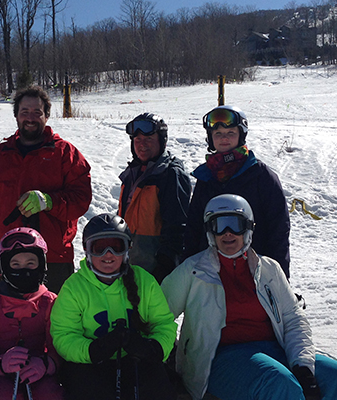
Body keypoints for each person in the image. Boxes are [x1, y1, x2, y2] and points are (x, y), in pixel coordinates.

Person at [162, 194, 337, 400]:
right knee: (278, 384)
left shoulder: (269, 269)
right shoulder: (192, 271)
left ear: (248, 228)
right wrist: (168, 355)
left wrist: (303, 367)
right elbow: (159, 315)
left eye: (235, 224)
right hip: (221, 358)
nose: (228, 233)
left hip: (274, 348)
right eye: (219, 225)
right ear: (211, 231)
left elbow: (293, 318)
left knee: (333, 375)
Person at [0, 85, 92, 293]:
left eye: (37, 112)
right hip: (1, 256)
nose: (30, 118)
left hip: (52, 259)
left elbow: (81, 199)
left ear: (47, 116)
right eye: (25, 112)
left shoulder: (65, 154)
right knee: (3, 321)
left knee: (56, 322)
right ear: (16, 115)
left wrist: (49, 201)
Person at [50, 214, 178, 400]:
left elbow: (164, 324)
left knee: (158, 390)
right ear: (87, 250)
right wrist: (92, 350)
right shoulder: (74, 288)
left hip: (135, 359)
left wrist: (153, 348)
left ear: (127, 250)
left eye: (116, 247)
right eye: (99, 248)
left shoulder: (144, 282)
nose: (108, 254)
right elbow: (63, 333)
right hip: (91, 363)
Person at [182, 105, 290, 278]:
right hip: (211, 272)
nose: (224, 138)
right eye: (218, 134)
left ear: (241, 135)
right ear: (210, 138)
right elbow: (194, 227)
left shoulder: (261, 176)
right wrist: (187, 271)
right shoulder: (206, 177)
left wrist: (279, 280)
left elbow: (278, 230)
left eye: (230, 133)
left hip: (253, 271)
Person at [0, 227, 64, 400]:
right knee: (2, 395)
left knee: (50, 394)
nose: (24, 270)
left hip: (39, 370)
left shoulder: (49, 301)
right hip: (0, 372)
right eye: (16, 265)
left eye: (31, 263)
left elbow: (57, 348)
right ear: (5, 267)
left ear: (41, 265)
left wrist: (46, 364)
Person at [118, 113, 191, 283]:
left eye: (148, 139)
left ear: (162, 141)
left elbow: (178, 229)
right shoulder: (132, 173)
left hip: (155, 274)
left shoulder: (170, 175)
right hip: (130, 269)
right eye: (137, 140)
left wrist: (164, 268)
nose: (142, 145)